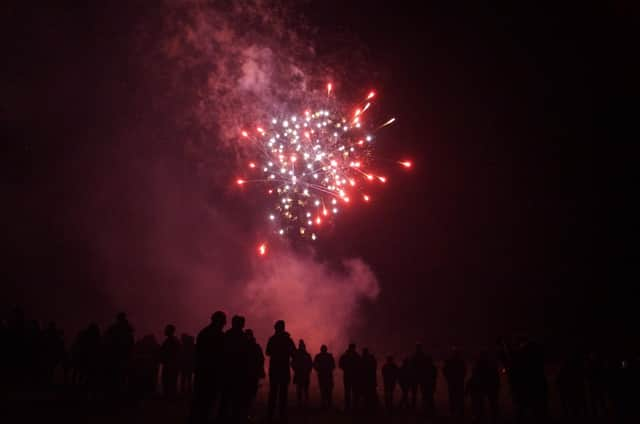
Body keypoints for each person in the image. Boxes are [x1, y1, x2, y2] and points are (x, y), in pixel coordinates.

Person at [189, 311, 226, 424]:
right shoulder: (219, 335)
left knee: (200, 400)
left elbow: (198, 353)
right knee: (208, 401)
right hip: (212, 374)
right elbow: (222, 356)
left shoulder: (204, 333)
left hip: (203, 372)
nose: (224, 324)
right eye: (223, 322)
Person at [220, 315, 250, 422]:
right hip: (238, 372)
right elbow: (246, 356)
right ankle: (235, 417)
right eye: (242, 323)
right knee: (236, 397)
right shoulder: (243, 337)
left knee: (226, 397)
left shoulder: (227, 335)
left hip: (229, 371)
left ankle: (223, 417)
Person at [265, 320, 295, 423]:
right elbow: (294, 353)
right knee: (283, 395)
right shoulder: (288, 340)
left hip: (274, 370)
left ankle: (270, 416)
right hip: (283, 370)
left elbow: (267, 352)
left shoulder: (272, 339)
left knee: (273, 393)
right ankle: (282, 416)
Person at [245, 329, 265, 419]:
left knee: (248, 394)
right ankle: (248, 413)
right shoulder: (255, 347)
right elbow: (261, 359)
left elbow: (261, 359)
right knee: (251, 394)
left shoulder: (243, 346)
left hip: (247, 373)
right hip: (251, 373)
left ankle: (246, 413)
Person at [443, 347, 466, 418]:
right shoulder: (460, 362)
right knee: (457, 397)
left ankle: (455, 412)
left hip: (454, 382)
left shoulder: (451, 361)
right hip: (457, 382)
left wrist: (448, 378)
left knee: (454, 397)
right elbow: (464, 371)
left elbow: (445, 370)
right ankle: (458, 412)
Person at [159, 324, 181, 399]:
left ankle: (169, 396)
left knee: (168, 381)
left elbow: (168, 352)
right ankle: (170, 396)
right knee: (170, 381)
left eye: (166, 329)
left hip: (170, 365)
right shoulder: (174, 340)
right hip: (172, 364)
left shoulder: (171, 341)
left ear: (169, 331)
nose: (164, 330)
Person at [339, 343, 361, 411]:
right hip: (350, 376)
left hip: (350, 376)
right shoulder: (356, 356)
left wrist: (346, 369)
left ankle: (352, 406)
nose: (353, 349)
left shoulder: (348, 356)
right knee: (349, 392)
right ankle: (350, 406)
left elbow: (341, 364)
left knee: (352, 392)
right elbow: (341, 364)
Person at [313, 345, 336, 409]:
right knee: (324, 390)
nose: (323, 350)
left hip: (326, 375)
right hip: (324, 375)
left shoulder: (322, 356)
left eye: (324, 349)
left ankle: (327, 403)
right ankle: (326, 403)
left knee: (327, 390)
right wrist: (319, 369)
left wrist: (319, 369)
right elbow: (314, 365)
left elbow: (333, 365)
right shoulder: (322, 356)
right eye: (323, 349)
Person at [291, 339, 313, 407]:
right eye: (301, 346)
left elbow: (310, 364)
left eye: (302, 346)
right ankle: (300, 402)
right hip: (300, 373)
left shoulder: (305, 355)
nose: (302, 347)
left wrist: (308, 370)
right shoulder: (298, 355)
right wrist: (296, 369)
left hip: (303, 373)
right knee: (301, 389)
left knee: (303, 389)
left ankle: (304, 402)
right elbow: (292, 363)